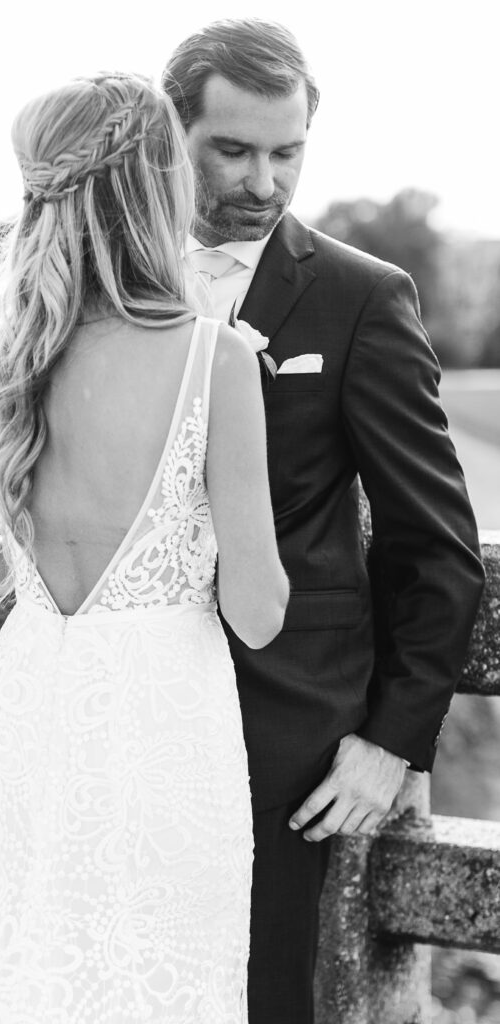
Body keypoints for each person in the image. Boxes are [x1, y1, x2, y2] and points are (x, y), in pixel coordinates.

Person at [0, 71, 288, 1023]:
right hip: (167, 727)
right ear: (157, 187)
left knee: (36, 960)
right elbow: (256, 614)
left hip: (38, 713)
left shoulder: (2, 366)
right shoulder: (216, 359)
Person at [162, 18, 485, 1024]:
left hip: (284, 736)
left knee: (261, 1002)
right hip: (128, 706)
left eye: (285, 153)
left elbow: (432, 542)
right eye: (232, 150)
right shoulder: (104, 279)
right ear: (170, 134)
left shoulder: (358, 297)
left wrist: (391, 741)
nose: (263, 183)